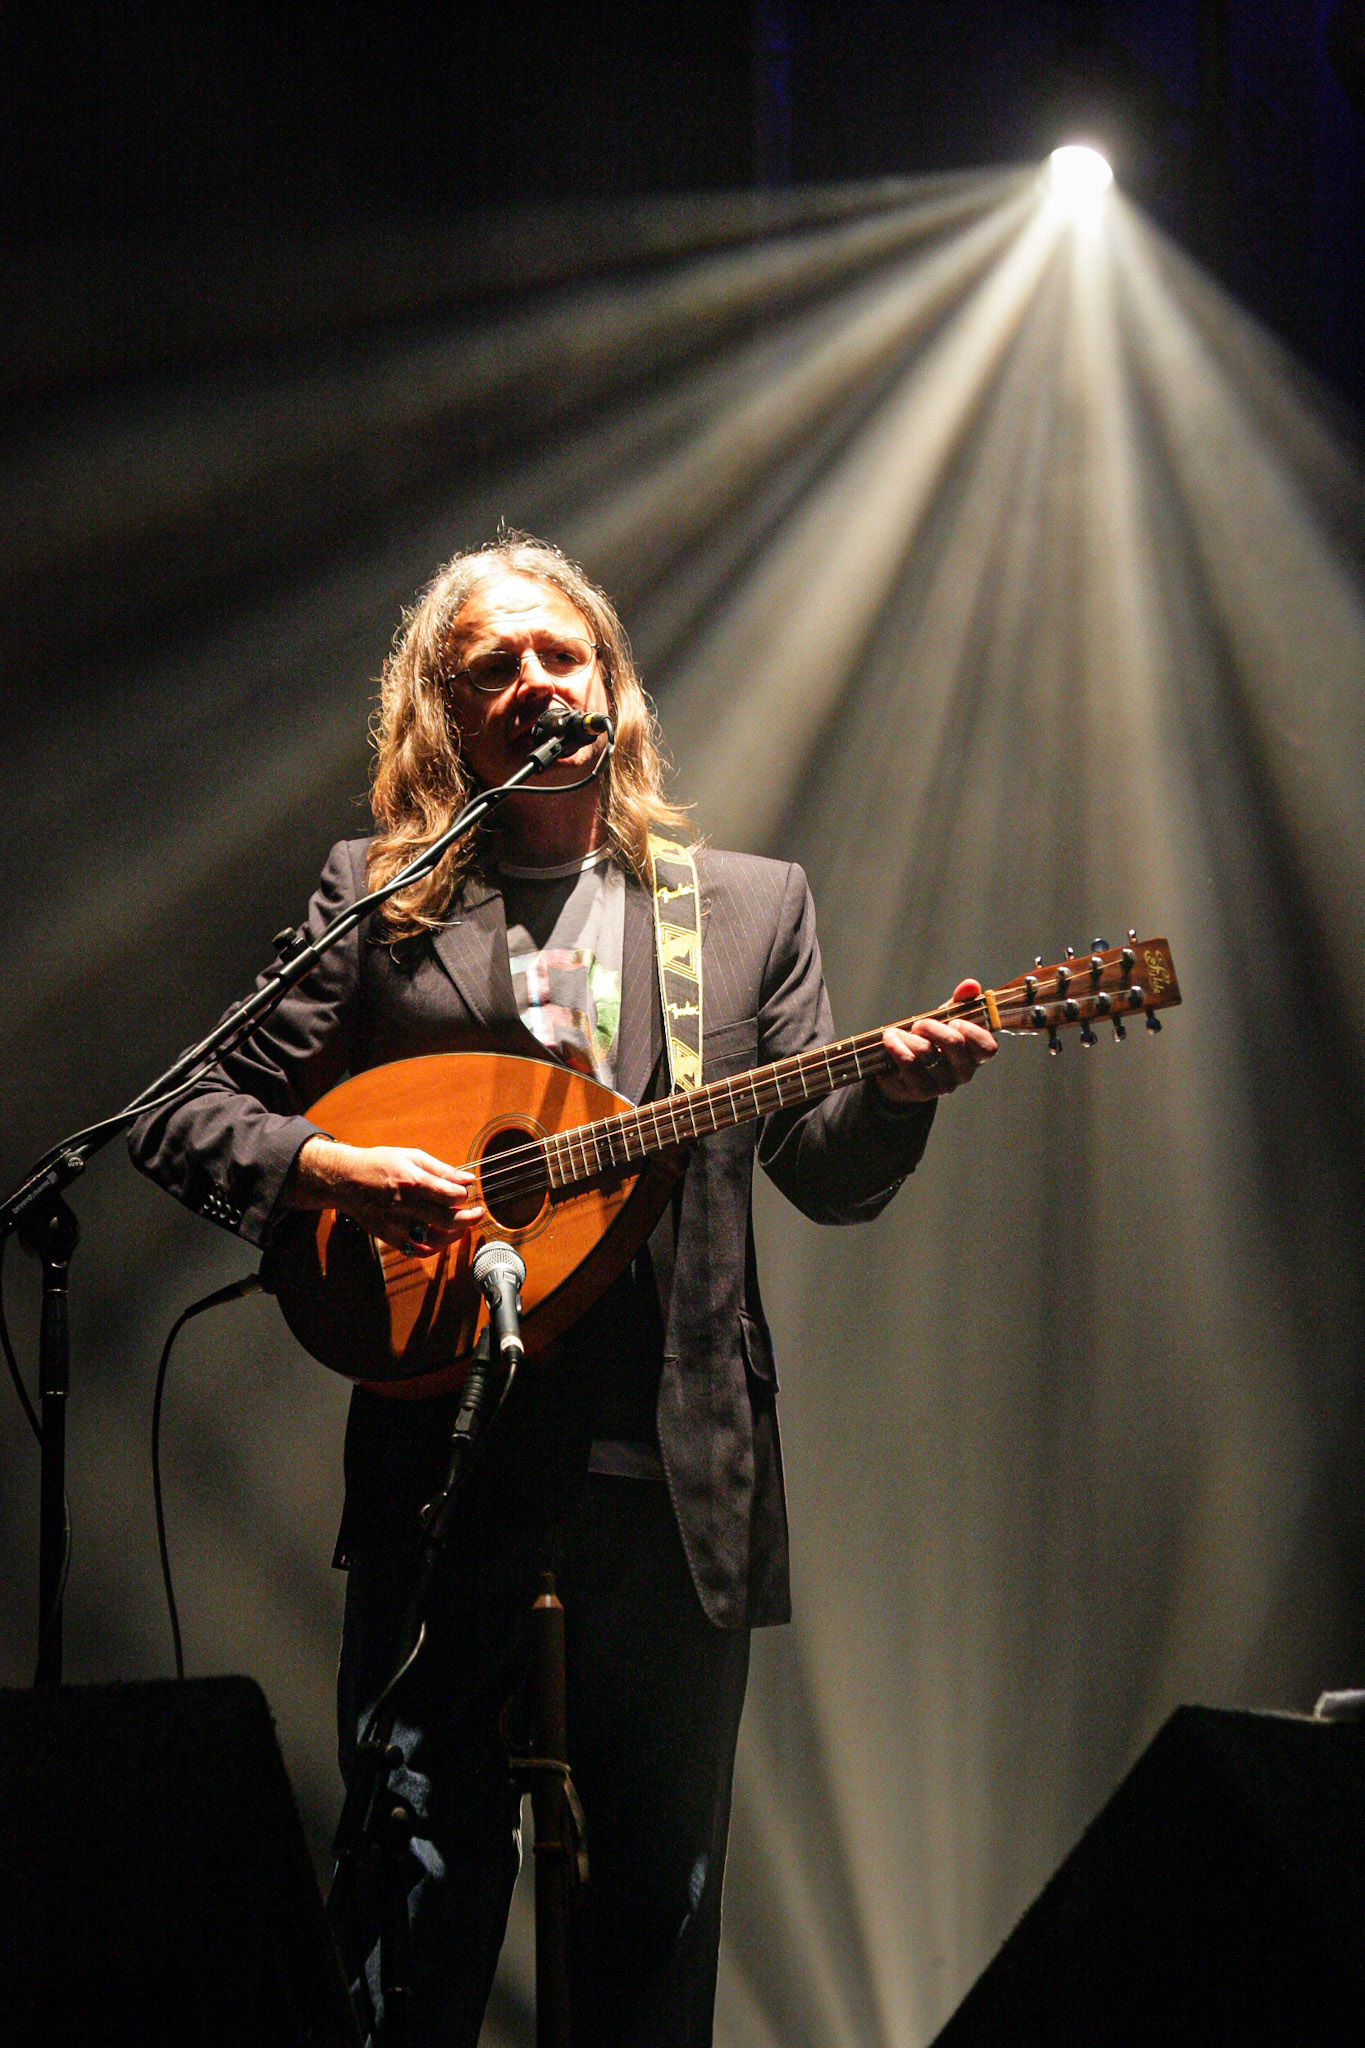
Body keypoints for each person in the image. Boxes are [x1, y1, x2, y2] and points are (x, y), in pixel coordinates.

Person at [129, 533, 996, 2046]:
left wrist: (906, 1094)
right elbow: (181, 1114)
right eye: (495, 668)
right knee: (414, 1899)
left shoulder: (739, 910)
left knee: (651, 1924)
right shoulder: (377, 901)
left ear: (611, 691)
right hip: (444, 1473)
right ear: (443, 720)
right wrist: (337, 1168)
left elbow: (824, 1173)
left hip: (672, 1486)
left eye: (562, 656)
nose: (537, 682)